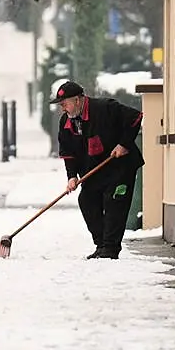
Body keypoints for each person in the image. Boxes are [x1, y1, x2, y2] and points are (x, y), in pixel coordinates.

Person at [51, 80, 144, 259]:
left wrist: (124, 144)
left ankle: (110, 248)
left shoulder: (104, 108)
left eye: (65, 104)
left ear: (78, 100)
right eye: (61, 105)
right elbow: (68, 153)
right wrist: (71, 177)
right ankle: (101, 245)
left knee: (114, 203)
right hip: (94, 170)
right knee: (86, 200)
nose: (63, 108)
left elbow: (135, 117)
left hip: (120, 167)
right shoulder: (66, 122)